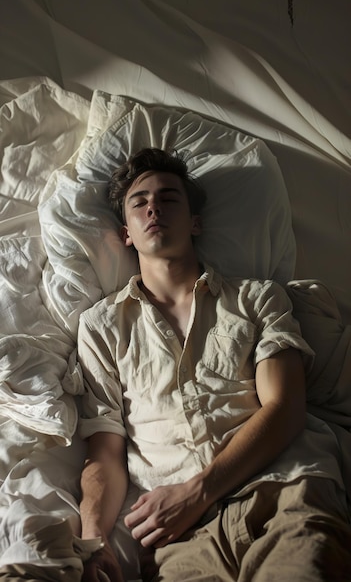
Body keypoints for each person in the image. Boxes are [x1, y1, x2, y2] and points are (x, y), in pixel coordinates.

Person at [77, 147, 351, 582]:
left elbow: (285, 407)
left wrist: (197, 491)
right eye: (139, 201)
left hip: (281, 491)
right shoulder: (100, 327)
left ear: (195, 222)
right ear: (126, 232)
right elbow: (104, 452)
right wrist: (93, 540)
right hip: (179, 537)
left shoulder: (257, 297)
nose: (153, 207)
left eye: (169, 198)